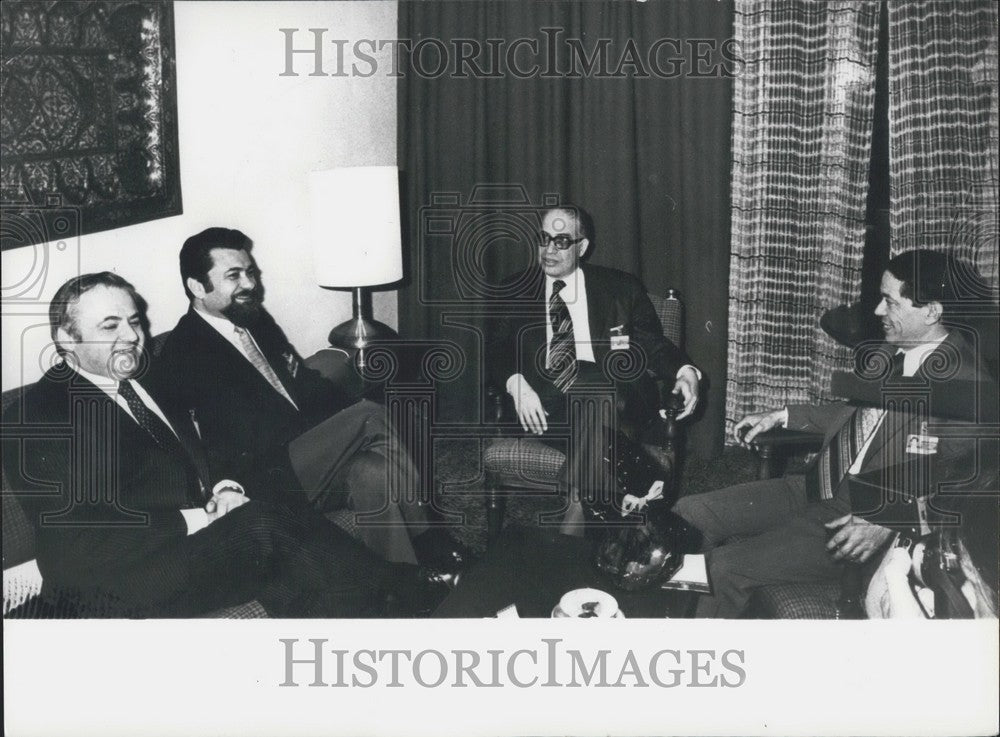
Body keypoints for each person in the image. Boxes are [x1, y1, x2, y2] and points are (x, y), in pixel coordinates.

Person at [0, 273, 450, 617]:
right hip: (117, 583)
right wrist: (194, 517)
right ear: (66, 339)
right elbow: (78, 544)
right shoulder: (36, 417)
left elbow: (200, 452)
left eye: (134, 321)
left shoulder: (146, 376)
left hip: (194, 540)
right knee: (264, 525)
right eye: (110, 325)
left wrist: (225, 486)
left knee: (278, 532)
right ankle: (409, 594)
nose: (133, 337)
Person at [673, 249, 993, 618]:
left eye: (889, 301)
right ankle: (669, 614)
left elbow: (966, 480)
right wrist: (784, 415)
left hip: (856, 519)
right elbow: (862, 416)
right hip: (815, 486)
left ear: (931, 311)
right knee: (689, 513)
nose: (877, 311)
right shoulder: (903, 352)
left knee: (722, 569)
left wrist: (889, 517)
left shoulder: (967, 385)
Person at [154, 228, 465, 568]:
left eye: (250, 273)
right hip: (263, 478)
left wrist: (340, 424)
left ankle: (409, 583)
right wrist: (346, 425)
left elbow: (304, 383)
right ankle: (434, 539)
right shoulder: (182, 354)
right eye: (234, 276)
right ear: (197, 287)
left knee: (373, 471)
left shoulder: (253, 319)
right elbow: (197, 449)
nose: (249, 285)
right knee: (371, 415)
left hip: (304, 456)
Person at [487, 205, 701, 527]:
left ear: (582, 247)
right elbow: (495, 349)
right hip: (547, 405)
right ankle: (634, 474)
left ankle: (571, 532)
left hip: (619, 398)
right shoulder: (513, 289)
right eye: (543, 239)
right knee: (594, 408)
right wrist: (517, 384)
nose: (548, 250)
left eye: (561, 241)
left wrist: (685, 371)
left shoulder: (619, 288)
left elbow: (651, 343)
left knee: (595, 387)